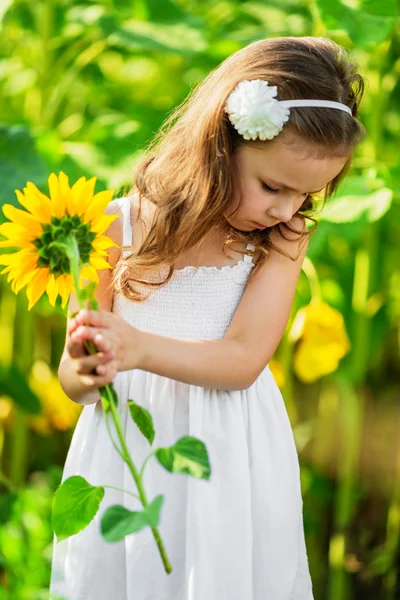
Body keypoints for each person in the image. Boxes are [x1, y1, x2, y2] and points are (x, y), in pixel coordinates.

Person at [50, 36, 366, 600]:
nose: (286, 210)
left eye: (306, 195)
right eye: (273, 186)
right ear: (219, 147)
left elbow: (243, 359)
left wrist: (139, 349)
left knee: (221, 576)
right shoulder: (113, 227)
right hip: (129, 451)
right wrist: (87, 367)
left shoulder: (281, 242)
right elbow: (76, 384)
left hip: (229, 456)